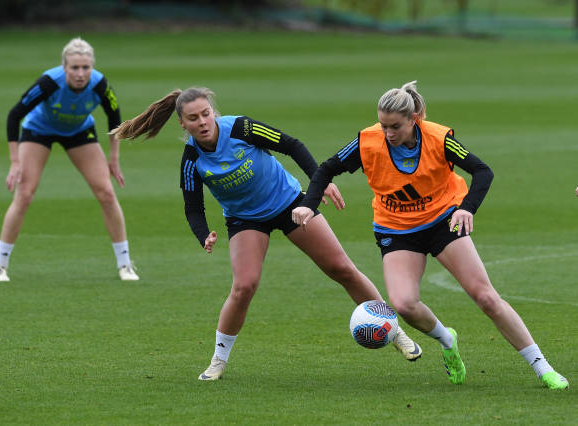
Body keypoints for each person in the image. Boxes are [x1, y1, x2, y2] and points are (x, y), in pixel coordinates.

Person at [111, 86, 422, 381]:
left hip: (290, 203)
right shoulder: (192, 159)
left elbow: (291, 145)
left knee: (342, 269)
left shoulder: (241, 128)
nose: (202, 122)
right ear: (182, 123)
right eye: (193, 118)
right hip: (246, 221)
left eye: (206, 113)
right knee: (244, 287)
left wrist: (319, 181)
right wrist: (203, 234)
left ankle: (396, 333)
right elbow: (192, 207)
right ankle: (218, 361)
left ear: (213, 112)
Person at [292, 81, 568, 390]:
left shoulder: (439, 139)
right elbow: (327, 168)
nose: (388, 133)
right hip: (396, 229)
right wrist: (308, 205)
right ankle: (448, 340)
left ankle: (543, 368)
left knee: (486, 297)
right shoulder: (368, 141)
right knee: (404, 304)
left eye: (395, 126)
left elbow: (482, 171)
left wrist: (467, 209)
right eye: (383, 126)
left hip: (442, 221)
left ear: (414, 120)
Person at [0, 37, 139, 282]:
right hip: (39, 129)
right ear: (64, 67)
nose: (80, 73)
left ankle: (125, 265)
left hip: (79, 131)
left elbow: (115, 121)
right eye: (74, 68)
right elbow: (14, 115)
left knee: (106, 193)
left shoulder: (100, 85)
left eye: (85, 68)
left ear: (92, 67)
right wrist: (15, 161)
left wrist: (114, 159)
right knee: (25, 193)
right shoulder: (49, 82)